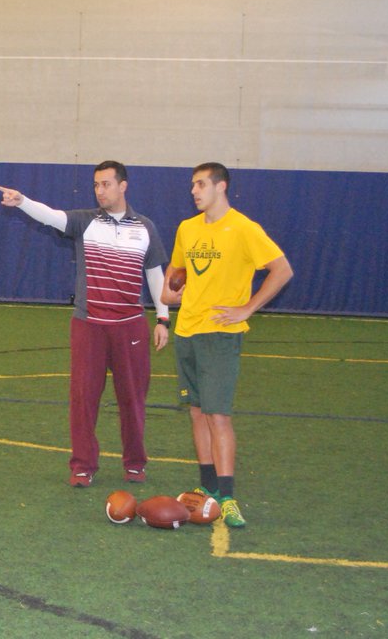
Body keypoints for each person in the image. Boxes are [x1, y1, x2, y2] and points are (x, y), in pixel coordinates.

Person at [0, 161, 170, 488]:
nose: (100, 191)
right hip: (89, 325)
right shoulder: (85, 222)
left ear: (123, 186)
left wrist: (163, 318)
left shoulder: (145, 227)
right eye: (96, 185)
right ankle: (83, 466)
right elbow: (52, 216)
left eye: (106, 184)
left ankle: (135, 464)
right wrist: (23, 202)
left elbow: (155, 273)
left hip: (131, 326)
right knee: (83, 399)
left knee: (132, 399)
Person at [161, 162, 293, 528]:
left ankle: (228, 495)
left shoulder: (244, 228)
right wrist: (172, 291)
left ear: (221, 187)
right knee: (197, 411)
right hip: (186, 331)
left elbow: (282, 270)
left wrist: (248, 307)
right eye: (192, 185)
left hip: (220, 334)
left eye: (200, 184)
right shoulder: (187, 229)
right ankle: (206, 488)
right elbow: (172, 283)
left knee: (218, 414)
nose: (194, 191)